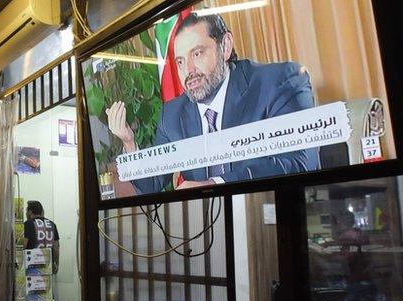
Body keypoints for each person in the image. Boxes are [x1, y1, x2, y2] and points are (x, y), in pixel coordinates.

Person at [107, 12, 319, 195]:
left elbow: (300, 163)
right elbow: (151, 185)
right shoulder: (172, 114)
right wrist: (129, 143)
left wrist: (214, 184)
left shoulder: (279, 82)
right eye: (180, 61)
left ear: (225, 47)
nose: (188, 70)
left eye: (197, 53)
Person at [24, 201, 60, 274]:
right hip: (48, 266)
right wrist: (56, 264)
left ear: (30, 212)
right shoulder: (52, 224)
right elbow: (56, 248)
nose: (26, 214)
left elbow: (23, 245)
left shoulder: (27, 224)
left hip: (31, 268)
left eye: (26, 211)